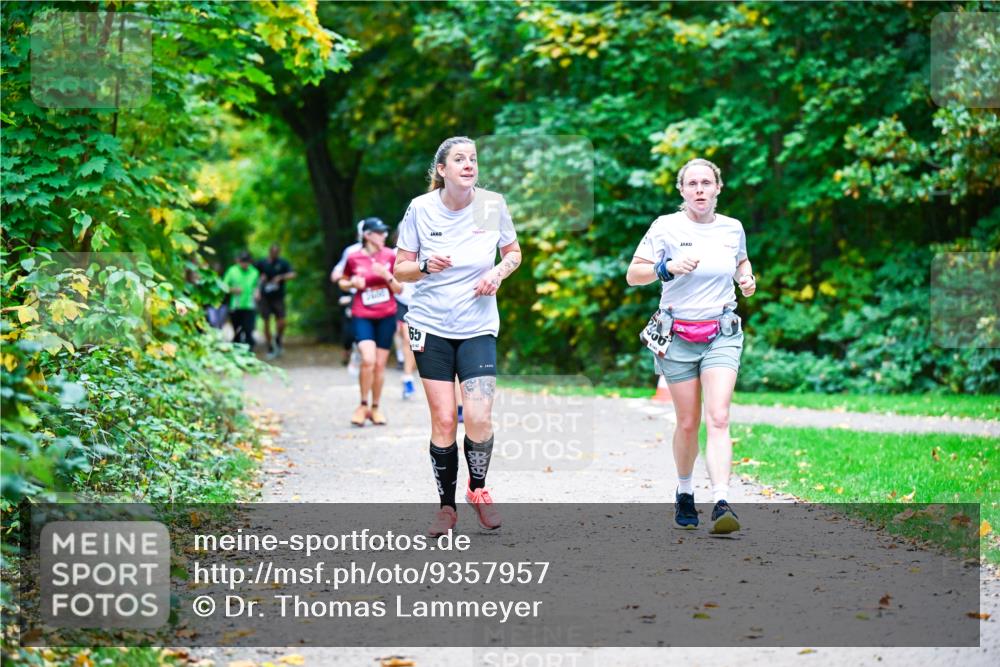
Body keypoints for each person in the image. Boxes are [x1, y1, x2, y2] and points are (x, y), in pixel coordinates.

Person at [394, 136, 522, 537]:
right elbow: (400, 269)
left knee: (479, 417)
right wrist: (426, 266)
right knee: (446, 419)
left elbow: (514, 253)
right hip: (431, 325)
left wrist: (496, 274)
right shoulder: (421, 209)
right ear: (443, 170)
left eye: (473, 159)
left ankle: (478, 490)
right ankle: (446, 507)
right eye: (459, 159)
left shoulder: (492, 205)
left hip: (478, 326)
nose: (469, 165)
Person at [626, 157, 756, 535]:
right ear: (682, 191)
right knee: (687, 422)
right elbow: (634, 275)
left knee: (718, 417)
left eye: (706, 183)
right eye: (692, 184)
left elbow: (741, 262)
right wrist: (667, 268)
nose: (700, 190)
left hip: (722, 332)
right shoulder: (665, 227)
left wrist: (747, 280)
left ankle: (721, 501)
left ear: (718, 188)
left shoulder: (732, 228)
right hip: (677, 335)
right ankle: (685, 491)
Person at [338, 218, 403, 427]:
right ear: (367, 235)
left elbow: (399, 289)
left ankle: (375, 408)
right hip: (362, 314)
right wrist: (350, 284)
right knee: (368, 359)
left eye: (385, 232)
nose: (384, 235)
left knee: (380, 365)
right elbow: (342, 281)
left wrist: (386, 276)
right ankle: (362, 405)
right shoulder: (353, 257)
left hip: (386, 315)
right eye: (379, 232)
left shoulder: (391, 256)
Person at [331, 220, 367, 370]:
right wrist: (341, 277)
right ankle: (349, 350)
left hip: (376, 296)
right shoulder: (351, 252)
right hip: (355, 295)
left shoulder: (384, 252)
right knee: (351, 329)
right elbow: (337, 272)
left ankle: (366, 355)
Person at [256, 244, 296, 359]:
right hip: (265, 297)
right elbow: (254, 274)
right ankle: (270, 347)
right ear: (269, 252)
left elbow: (293, 274)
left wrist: (281, 277)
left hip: (278, 297)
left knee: (282, 321)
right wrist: (259, 284)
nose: (275, 254)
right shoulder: (262, 263)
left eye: (277, 252)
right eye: (273, 252)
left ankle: (278, 338)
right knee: (266, 321)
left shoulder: (283, 263)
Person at [223, 250, 260, 350]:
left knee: (248, 330)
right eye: (243, 261)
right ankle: (237, 351)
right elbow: (223, 286)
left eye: (247, 262)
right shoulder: (232, 271)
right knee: (237, 330)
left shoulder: (254, 272)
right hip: (236, 306)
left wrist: (257, 292)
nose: (245, 264)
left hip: (249, 305)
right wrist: (233, 290)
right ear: (239, 261)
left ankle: (249, 351)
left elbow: (256, 286)